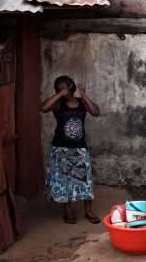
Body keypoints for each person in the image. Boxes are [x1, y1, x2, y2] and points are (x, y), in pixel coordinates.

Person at [41, 75, 101, 224]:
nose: (64, 90)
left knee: (85, 180)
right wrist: (60, 94)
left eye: (66, 86)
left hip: (79, 149)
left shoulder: (81, 103)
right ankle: (68, 211)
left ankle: (88, 211)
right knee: (66, 181)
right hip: (61, 149)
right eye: (60, 88)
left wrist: (84, 94)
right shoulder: (58, 104)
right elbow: (43, 107)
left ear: (71, 86)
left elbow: (95, 112)